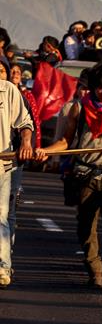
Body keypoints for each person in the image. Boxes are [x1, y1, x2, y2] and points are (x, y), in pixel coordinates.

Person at [37, 63, 102, 289]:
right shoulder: (78, 108)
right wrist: (44, 151)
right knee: (86, 227)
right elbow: (66, 142)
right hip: (84, 175)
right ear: (93, 87)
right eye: (101, 87)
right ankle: (95, 270)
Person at [0, 67, 34, 288]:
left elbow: (25, 123)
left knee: (1, 216)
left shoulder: (8, 90)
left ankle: (2, 267)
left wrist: (26, 142)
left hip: (3, 164)